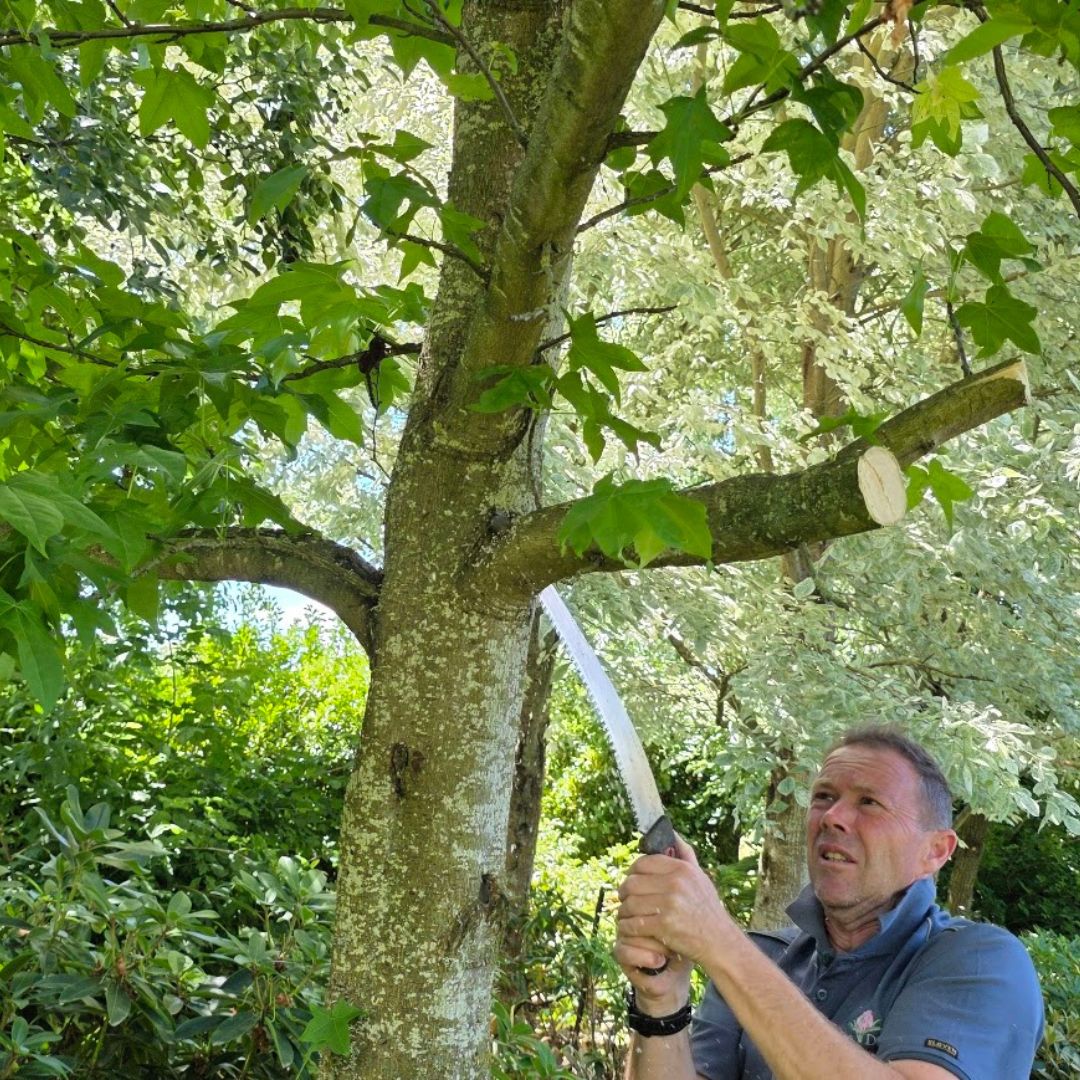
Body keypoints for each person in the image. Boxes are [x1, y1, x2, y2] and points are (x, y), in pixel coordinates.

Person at [614, 726, 1044, 1080]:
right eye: (823, 796)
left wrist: (719, 940)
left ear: (935, 852)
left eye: (869, 802)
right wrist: (661, 1001)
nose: (833, 816)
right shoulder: (765, 955)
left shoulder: (979, 962)